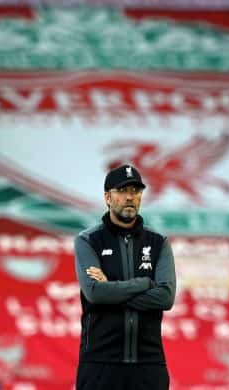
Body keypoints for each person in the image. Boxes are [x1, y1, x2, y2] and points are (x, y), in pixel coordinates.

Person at [74, 164, 177, 390]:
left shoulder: (158, 242)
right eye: (122, 191)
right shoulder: (88, 240)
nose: (130, 197)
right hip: (99, 364)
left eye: (136, 191)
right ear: (107, 197)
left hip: (149, 365)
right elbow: (94, 292)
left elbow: (165, 297)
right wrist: (144, 284)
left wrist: (110, 288)